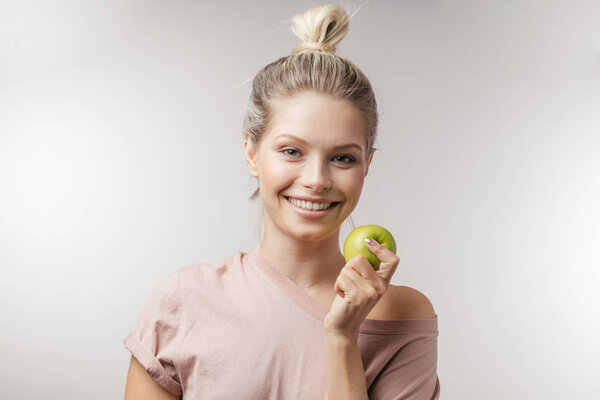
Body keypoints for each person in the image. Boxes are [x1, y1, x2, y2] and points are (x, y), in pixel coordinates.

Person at [123, 4, 440, 399]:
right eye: (292, 151)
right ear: (253, 154)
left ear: (366, 165)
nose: (316, 180)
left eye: (342, 158)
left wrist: (342, 337)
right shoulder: (184, 300)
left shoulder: (401, 315)